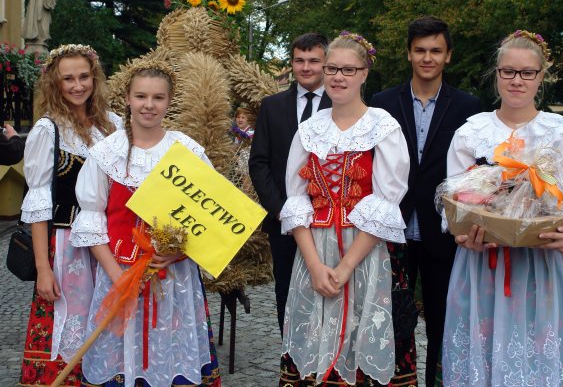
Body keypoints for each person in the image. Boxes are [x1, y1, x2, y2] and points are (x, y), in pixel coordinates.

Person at [441, 30, 563, 386]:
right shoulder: (471, 133)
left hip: (541, 269)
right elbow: (454, 205)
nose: (517, 81)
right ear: (496, 74)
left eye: (527, 73)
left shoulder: (561, 135)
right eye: (508, 71)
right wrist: (465, 235)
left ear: (541, 77)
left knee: (537, 359)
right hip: (482, 269)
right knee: (483, 356)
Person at [70, 60, 221, 387]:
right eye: (141, 97)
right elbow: (92, 221)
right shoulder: (107, 153)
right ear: (127, 97)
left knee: (169, 363)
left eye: (157, 98)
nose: (149, 105)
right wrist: (118, 278)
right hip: (118, 277)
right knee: (121, 363)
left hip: (173, 282)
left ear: (169, 101)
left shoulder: (187, 151)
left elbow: (208, 219)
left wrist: (180, 253)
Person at [278, 32, 410, 386]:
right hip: (314, 252)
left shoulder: (382, 127)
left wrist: (346, 267)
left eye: (348, 70)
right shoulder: (309, 130)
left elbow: (386, 201)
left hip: (364, 252)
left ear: (365, 73)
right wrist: (315, 266)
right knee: (313, 344)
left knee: (360, 341)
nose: (338, 77)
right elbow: (297, 202)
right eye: (332, 68)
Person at [371, 16, 481, 385]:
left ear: (448, 55)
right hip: (393, 227)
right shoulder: (382, 103)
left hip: (443, 232)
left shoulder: (469, 107)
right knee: (389, 319)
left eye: (435, 50)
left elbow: (477, 173)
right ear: (408, 54)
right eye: (420, 50)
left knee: (442, 321)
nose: (427, 57)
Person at [18, 44, 121, 386]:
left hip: (111, 243)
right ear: (55, 83)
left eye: (84, 76)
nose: (77, 85)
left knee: (110, 327)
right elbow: (37, 205)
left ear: (95, 77)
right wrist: (43, 270)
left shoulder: (113, 125)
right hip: (67, 248)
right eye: (68, 79)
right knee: (69, 329)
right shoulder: (49, 130)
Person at [249, 32, 331, 335]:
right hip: (283, 219)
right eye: (299, 60)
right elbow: (259, 161)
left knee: (327, 289)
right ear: (292, 63)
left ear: (325, 63)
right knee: (286, 290)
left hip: (328, 219)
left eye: (313, 61)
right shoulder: (272, 106)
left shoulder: (341, 103)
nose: (306, 67)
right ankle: (291, 360)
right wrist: (280, 209)